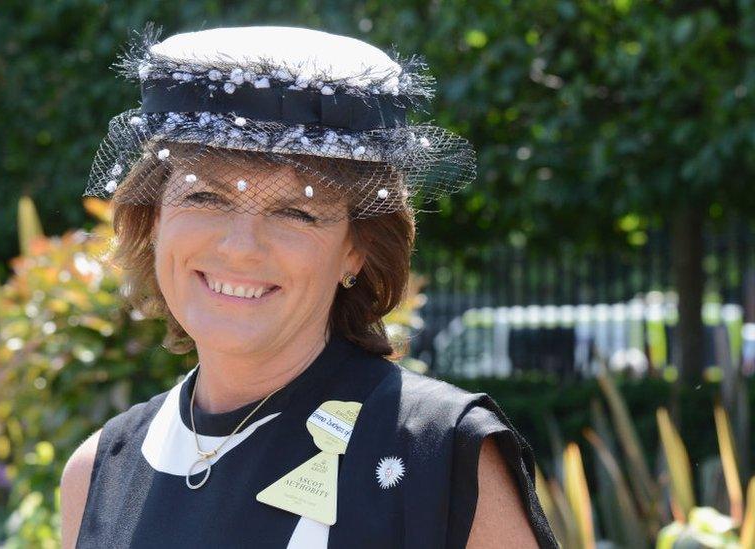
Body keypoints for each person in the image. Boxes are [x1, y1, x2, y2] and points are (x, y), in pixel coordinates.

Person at [60, 24, 558, 548]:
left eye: (296, 212)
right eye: (206, 198)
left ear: (356, 248)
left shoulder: (436, 455)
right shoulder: (96, 473)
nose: (241, 247)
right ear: (153, 219)